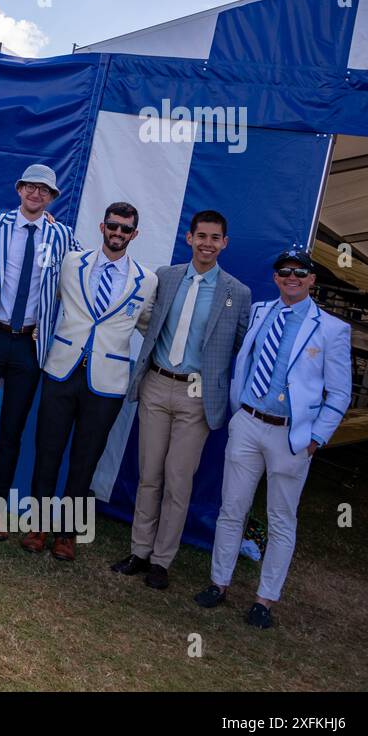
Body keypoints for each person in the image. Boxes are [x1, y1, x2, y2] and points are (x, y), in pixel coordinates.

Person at [195, 247, 352, 629]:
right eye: (285, 271)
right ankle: (219, 583)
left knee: (281, 519)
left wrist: (316, 437)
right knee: (232, 508)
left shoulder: (332, 329)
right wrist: (237, 413)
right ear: (276, 277)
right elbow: (244, 363)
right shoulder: (262, 311)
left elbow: (341, 393)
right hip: (248, 422)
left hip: (291, 436)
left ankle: (265, 599)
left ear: (313, 279)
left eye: (300, 271)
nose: (292, 276)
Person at [112, 210, 251, 589]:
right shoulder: (167, 277)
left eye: (215, 237)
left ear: (224, 243)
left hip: (196, 393)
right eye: (200, 235)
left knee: (178, 480)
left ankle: (162, 560)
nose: (207, 243)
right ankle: (139, 551)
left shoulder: (236, 293)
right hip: (157, 383)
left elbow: (239, 346)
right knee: (149, 474)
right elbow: (149, 322)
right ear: (189, 238)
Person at [21, 201, 157, 561]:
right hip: (62, 369)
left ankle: (67, 533)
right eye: (112, 225)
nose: (118, 233)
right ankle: (38, 524)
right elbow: (49, 301)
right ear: (102, 226)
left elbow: (149, 327)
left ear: (135, 234)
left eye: (125, 229)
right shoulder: (71, 263)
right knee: (47, 450)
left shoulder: (146, 280)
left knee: (87, 458)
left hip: (107, 382)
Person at [0, 164, 81, 533]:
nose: (37, 195)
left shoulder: (63, 237)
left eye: (45, 191)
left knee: (11, 430)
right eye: (31, 188)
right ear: (19, 189)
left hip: (29, 344)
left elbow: (88, 270)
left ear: (53, 198)